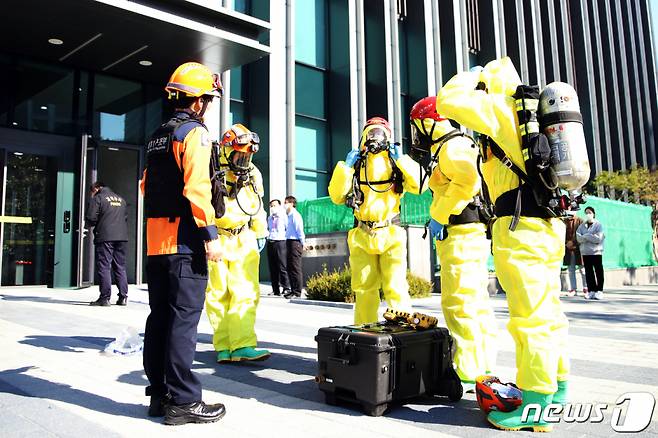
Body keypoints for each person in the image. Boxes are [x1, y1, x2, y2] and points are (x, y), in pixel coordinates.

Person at [437, 57, 570, 432]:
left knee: (530, 318)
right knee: (549, 310)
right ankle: (556, 388)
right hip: (547, 225)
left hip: (521, 226)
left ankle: (535, 402)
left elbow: (447, 100)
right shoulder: (525, 115)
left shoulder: (499, 105)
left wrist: (476, 75)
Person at [140, 61, 225, 425]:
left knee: (159, 318)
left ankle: (159, 395)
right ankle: (185, 401)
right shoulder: (196, 134)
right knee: (183, 323)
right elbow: (196, 188)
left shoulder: (158, 135)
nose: (208, 105)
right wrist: (211, 237)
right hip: (185, 243)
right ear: (199, 101)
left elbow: (146, 186)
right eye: (207, 98)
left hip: (156, 243)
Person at [409, 96, 498, 393]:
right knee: (475, 302)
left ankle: (469, 370)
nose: (417, 133)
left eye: (418, 125)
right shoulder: (449, 146)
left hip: (462, 231)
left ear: (430, 121)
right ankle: (483, 364)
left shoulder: (453, 145)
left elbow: (466, 181)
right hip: (464, 232)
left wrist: (439, 214)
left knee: (459, 303)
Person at [328, 117, 421, 324]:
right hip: (362, 233)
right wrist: (345, 167)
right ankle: (364, 332)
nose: (374, 138)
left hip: (390, 231)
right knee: (364, 289)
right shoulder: (357, 165)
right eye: (370, 133)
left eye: (379, 133)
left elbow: (419, 186)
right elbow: (336, 196)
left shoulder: (394, 163)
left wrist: (402, 160)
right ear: (363, 137)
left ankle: (402, 332)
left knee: (396, 286)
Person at [205, 123, 271, 363]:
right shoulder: (212, 171)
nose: (244, 160)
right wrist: (206, 236)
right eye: (240, 154)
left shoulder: (252, 173)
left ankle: (242, 345)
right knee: (218, 293)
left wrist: (260, 231)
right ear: (226, 150)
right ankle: (223, 346)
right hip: (219, 237)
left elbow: (257, 206)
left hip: (244, 237)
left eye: (247, 155)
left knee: (246, 293)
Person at [85, 181, 129, 306]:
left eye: (92, 191)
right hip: (122, 237)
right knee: (120, 266)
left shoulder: (98, 198)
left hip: (105, 237)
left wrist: (89, 225)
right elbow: (125, 217)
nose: (92, 194)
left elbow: (91, 218)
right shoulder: (121, 199)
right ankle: (123, 297)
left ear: (97, 188)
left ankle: (105, 298)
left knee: (104, 266)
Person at [576, 207, 605, 300]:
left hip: (596, 252)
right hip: (585, 252)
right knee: (588, 272)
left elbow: (598, 239)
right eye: (586, 213)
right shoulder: (582, 226)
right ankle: (591, 290)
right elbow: (578, 238)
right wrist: (588, 237)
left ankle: (599, 290)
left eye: (589, 212)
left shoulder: (598, 225)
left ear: (593, 214)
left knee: (598, 271)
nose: (588, 214)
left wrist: (587, 236)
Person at [266, 199, 291, 296]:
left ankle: (286, 287)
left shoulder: (284, 216)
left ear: (279, 206)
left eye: (274, 205)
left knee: (282, 266)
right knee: (272, 268)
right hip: (271, 241)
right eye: (271, 206)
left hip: (280, 242)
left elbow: (287, 228)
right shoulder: (269, 218)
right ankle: (275, 289)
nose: (272, 208)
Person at [284, 195, 305, 299]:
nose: (285, 204)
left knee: (295, 267)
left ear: (291, 203)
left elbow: (300, 230)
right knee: (290, 267)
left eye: (286, 202)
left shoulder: (296, 215)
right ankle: (292, 290)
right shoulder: (289, 215)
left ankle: (297, 291)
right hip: (289, 242)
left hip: (295, 243)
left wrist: (303, 243)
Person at [564, 213, 586, 297]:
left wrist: (574, 242)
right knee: (570, 270)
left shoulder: (580, 221)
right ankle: (573, 289)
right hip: (568, 249)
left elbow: (583, 235)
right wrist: (566, 243)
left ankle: (586, 288)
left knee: (583, 270)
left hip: (579, 249)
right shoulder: (564, 221)